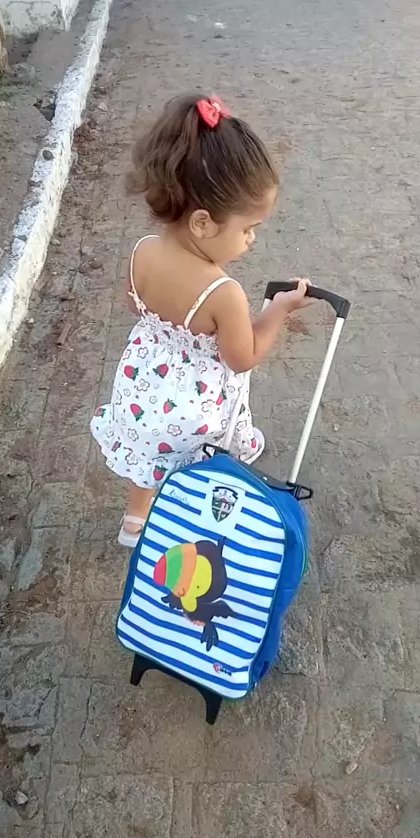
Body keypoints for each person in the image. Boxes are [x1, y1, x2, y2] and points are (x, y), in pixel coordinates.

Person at [91, 93, 314, 546]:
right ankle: (201, 512)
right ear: (202, 224)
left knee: (149, 454)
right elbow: (242, 357)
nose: (251, 240)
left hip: (142, 390)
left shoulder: (141, 251)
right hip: (194, 409)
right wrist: (278, 310)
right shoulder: (223, 293)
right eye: (247, 229)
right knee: (199, 453)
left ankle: (136, 519)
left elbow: (135, 305)